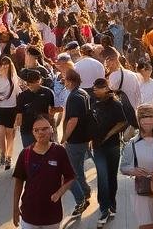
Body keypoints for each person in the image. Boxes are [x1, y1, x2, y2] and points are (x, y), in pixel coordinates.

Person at [13, 114, 76, 229]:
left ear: (52, 129)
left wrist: (59, 193)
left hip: (52, 215)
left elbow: (70, 176)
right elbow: (18, 182)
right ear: (33, 133)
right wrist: (15, 208)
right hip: (29, 214)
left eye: (44, 129)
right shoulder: (25, 154)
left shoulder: (59, 151)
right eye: (36, 130)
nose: (40, 132)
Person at [91, 77, 137, 227]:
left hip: (112, 146)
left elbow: (123, 122)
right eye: (95, 87)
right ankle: (104, 209)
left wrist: (108, 135)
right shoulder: (93, 102)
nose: (95, 90)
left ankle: (112, 204)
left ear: (106, 88)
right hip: (97, 147)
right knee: (102, 177)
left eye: (99, 87)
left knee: (111, 177)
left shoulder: (115, 104)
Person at [121, 104, 153, 229]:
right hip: (144, 192)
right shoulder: (132, 143)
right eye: (143, 117)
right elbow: (123, 167)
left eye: (151, 117)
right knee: (146, 225)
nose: (147, 120)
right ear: (138, 120)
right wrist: (133, 171)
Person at [61, 70, 96, 218]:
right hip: (83, 139)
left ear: (70, 81)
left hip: (75, 141)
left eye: (65, 80)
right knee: (78, 169)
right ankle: (86, 192)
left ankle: (80, 199)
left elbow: (73, 120)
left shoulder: (75, 97)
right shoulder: (83, 93)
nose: (64, 83)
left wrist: (64, 138)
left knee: (68, 174)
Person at [15, 68, 58, 149]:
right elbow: (19, 115)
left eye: (31, 82)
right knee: (29, 155)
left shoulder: (48, 93)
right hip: (27, 131)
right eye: (27, 82)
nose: (28, 85)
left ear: (39, 81)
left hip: (44, 130)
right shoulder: (22, 96)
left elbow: (53, 111)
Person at [0, 55, 20, 169]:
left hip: (11, 109)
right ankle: (3, 153)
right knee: (0, 135)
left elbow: (18, 93)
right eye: (3, 64)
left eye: (7, 64)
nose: (5, 67)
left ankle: (9, 157)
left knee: (10, 135)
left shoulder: (13, 79)